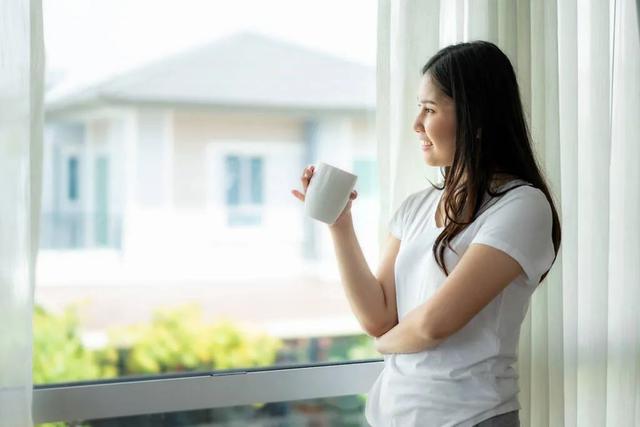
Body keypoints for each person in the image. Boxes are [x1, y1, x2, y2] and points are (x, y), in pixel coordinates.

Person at [291, 41, 561, 427]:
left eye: (430, 109)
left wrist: (385, 347)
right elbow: (378, 316)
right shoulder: (416, 206)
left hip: (472, 418)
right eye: (419, 107)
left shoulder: (522, 206)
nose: (417, 123)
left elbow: (435, 324)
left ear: (476, 118)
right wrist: (340, 225)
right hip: (395, 416)